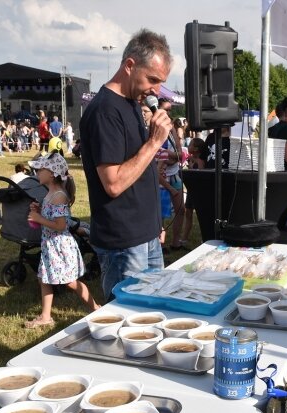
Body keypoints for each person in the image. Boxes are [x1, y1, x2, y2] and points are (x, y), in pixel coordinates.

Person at [79, 28, 173, 300]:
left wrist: (156, 223)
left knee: (155, 313)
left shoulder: (132, 102)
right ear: (130, 66)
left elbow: (139, 171)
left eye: (161, 82)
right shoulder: (104, 111)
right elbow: (114, 183)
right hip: (123, 241)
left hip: (146, 235)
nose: (156, 90)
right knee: (128, 321)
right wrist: (154, 142)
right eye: (152, 79)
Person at [25, 152, 99, 328]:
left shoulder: (59, 195)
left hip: (60, 246)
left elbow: (60, 225)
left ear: (51, 173)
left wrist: (37, 218)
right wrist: (40, 209)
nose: (36, 172)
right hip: (50, 245)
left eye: (39, 169)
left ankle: (96, 308)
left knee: (70, 282)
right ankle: (45, 316)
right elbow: (51, 216)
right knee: (44, 278)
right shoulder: (50, 194)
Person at [157, 98, 185, 250]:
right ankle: (159, 245)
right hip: (160, 180)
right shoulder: (155, 129)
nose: (169, 113)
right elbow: (158, 154)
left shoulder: (172, 128)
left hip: (174, 175)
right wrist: (171, 155)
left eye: (170, 110)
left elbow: (180, 155)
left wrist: (170, 156)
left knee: (180, 209)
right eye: (166, 109)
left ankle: (176, 242)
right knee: (160, 215)